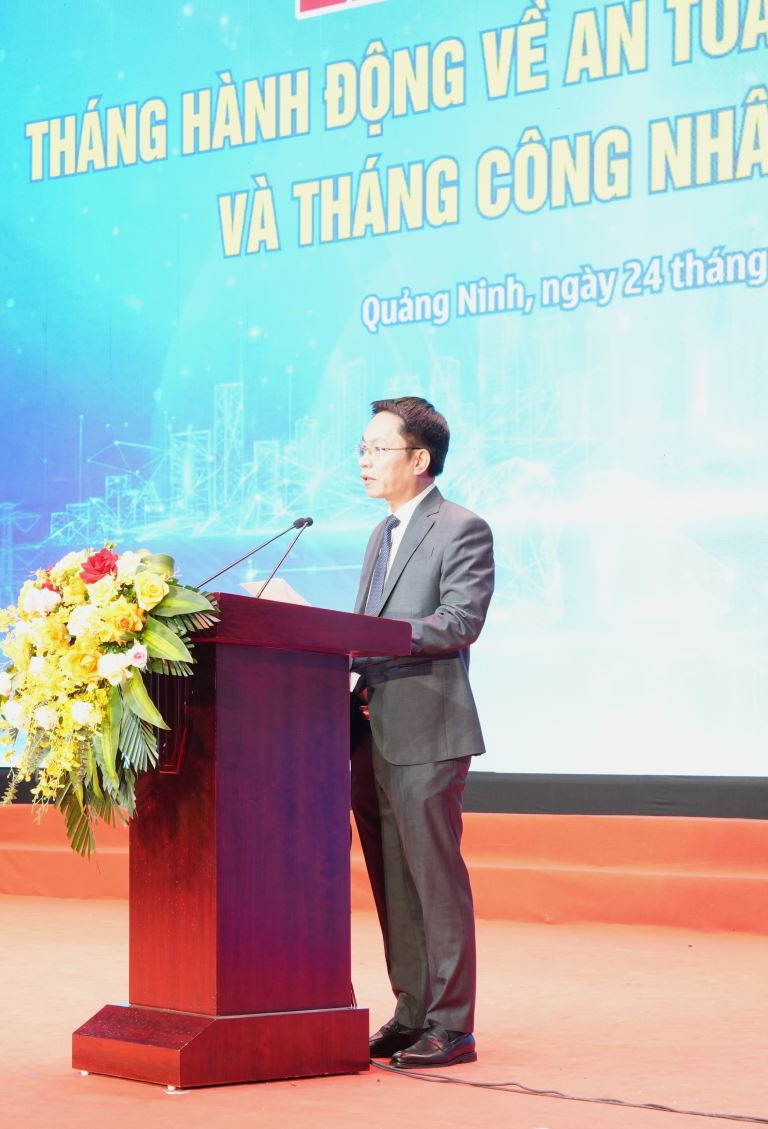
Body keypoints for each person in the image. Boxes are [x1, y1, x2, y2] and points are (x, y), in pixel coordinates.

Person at [350, 395, 494, 1069]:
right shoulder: (381, 533)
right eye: (362, 448)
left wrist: (368, 639)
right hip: (371, 728)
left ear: (419, 458)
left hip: (429, 729)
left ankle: (452, 1024)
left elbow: (460, 621)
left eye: (377, 448)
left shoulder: (462, 528)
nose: (364, 460)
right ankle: (411, 1012)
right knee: (393, 881)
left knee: (434, 880)